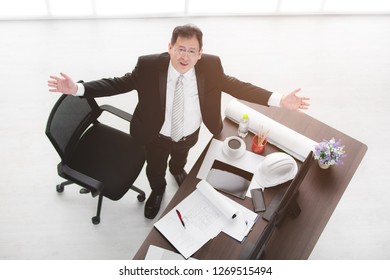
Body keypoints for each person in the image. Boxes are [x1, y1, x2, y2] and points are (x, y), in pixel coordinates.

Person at [48, 24, 310, 219]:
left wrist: (278, 99)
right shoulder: (149, 66)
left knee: (181, 158)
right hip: (154, 135)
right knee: (154, 167)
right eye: (180, 49)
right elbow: (119, 83)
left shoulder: (210, 66)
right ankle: (158, 190)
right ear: (170, 47)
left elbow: (238, 86)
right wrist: (78, 89)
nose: (185, 57)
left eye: (192, 51)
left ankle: (177, 169)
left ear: (200, 53)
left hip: (189, 132)